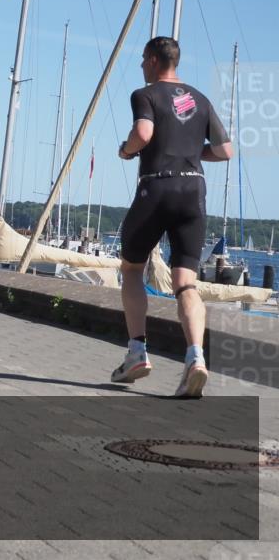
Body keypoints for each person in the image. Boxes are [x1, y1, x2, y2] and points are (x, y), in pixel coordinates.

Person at [112, 36, 232, 398]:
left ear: (151, 60)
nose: (141, 66)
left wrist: (126, 150)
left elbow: (143, 133)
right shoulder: (201, 99)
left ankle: (137, 352)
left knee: (132, 268)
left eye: (142, 60)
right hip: (194, 191)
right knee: (185, 282)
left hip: (157, 188)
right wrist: (193, 154)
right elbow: (226, 150)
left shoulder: (144, 94)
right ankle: (195, 358)